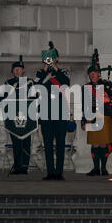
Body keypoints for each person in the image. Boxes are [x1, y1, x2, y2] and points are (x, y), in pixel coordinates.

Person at [35, 41, 70, 181]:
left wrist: (54, 68)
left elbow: (66, 83)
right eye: (48, 57)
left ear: (57, 58)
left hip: (60, 112)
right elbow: (36, 86)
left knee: (60, 144)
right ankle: (50, 171)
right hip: (46, 112)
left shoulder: (62, 72)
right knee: (48, 144)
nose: (50, 60)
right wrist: (45, 69)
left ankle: (59, 172)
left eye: (52, 57)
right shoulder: (41, 73)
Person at [82, 63, 112, 176]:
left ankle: (103, 168)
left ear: (99, 74)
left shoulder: (107, 85)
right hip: (91, 118)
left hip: (104, 116)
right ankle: (95, 168)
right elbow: (84, 106)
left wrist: (108, 100)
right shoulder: (86, 87)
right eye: (91, 74)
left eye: (94, 73)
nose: (92, 75)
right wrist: (83, 121)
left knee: (103, 144)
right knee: (94, 144)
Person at [2, 55, 35, 175]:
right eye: (15, 69)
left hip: (27, 117)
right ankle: (17, 166)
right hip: (12, 117)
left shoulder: (30, 82)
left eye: (19, 69)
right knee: (16, 142)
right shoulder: (8, 83)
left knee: (26, 142)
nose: (17, 71)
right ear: (12, 71)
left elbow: (35, 97)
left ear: (23, 70)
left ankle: (24, 166)